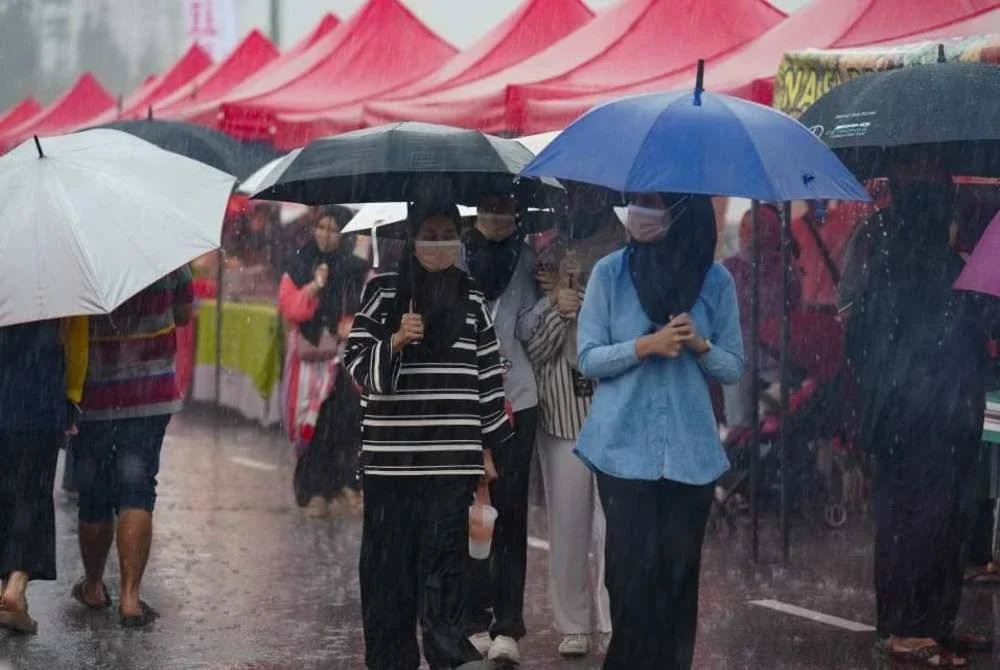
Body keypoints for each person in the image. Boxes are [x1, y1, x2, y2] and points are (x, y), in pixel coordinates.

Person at [575, 193, 743, 669]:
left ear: (680, 211)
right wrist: (645, 344)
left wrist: (700, 344)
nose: (640, 212)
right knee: (630, 580)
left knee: (676, 581)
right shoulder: (609, 273)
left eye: (653, 202)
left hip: (690, 456)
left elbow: (732, 367)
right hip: (622, 451)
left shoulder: (715, 280)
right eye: (636, 201)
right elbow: (588, 358)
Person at [344, 201, 512, 670]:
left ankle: (445, 658)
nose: (437, 241)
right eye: (429, 232)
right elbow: (356, 365)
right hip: (390, 465)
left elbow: (489, 377)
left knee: (443, 574)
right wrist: (395, 340)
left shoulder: (473, 297)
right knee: (387, 575)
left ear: (459, 237)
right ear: (412, 237)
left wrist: (487, 450)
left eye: (446, 232)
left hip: (451, 465)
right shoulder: (382, 292)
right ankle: (391, 661)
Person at [844, 157, 997, 667]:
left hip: (916, 415)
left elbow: (861, 341)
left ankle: (924, 622)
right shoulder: (937, 267)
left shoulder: (886, 258)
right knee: (928, 518)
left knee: (927, 517)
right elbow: (975, 329)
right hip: (931, 417)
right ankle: (912, 626)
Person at [527, 184, 623, 658]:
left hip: (615, 408)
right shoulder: (545, 251)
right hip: (562, 408)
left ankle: (611, 617)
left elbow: (628, 332)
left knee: (615, 525)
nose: (584, 201)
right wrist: (555, 308)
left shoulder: (627, 252)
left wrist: (584, 300)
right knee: (567, 524)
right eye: (577, 193)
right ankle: (572, 621)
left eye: (594, 194)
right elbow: (533, 345)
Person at [71, 267, 194, 628]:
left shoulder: (85, 256)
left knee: (93, 493)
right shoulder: (166, 252)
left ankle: (93, 586)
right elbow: (184, 314)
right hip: (150, 391)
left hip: (94, 391)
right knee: (138, 491)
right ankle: (130, 597)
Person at [461, 193, 540, 663]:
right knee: (466, 510)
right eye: (487, 207)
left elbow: (529, 329)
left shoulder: (529, 259)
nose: (496, 218)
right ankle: (471, 616)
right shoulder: (456, 257)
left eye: (505, 209)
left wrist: (551, 297)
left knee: (510, 513)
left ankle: (507, 623)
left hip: (517, 401)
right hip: (465, 401)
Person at [278, 205, 370, 518]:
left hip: (345, 362)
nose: (325, 235)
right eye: (322, 227)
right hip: (311, 362)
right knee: (313, 426)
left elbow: (370, 309)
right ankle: (312, 490)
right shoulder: (301, 263)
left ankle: (343, 485)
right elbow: (291, 309)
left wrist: (351, 322)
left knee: (344, 424)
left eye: (333, 229)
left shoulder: (357, 268)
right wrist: (315, 286)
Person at [0, 317, 87, 634]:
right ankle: (17, 584)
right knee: (33, 493)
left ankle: (9, 598)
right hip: (41, 395)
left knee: (5, 491)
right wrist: (73, 392)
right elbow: (76, 342)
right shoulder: (56, 281)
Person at [721, 204, 801, 429]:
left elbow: (794, 313)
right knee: (742, 427)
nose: (745, 233)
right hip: (741, 360)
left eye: (754, 227)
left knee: (768, 426)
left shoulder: (786, 272)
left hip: (773, 360)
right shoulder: (728, 269)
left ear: (770, 231)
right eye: (744, 227)